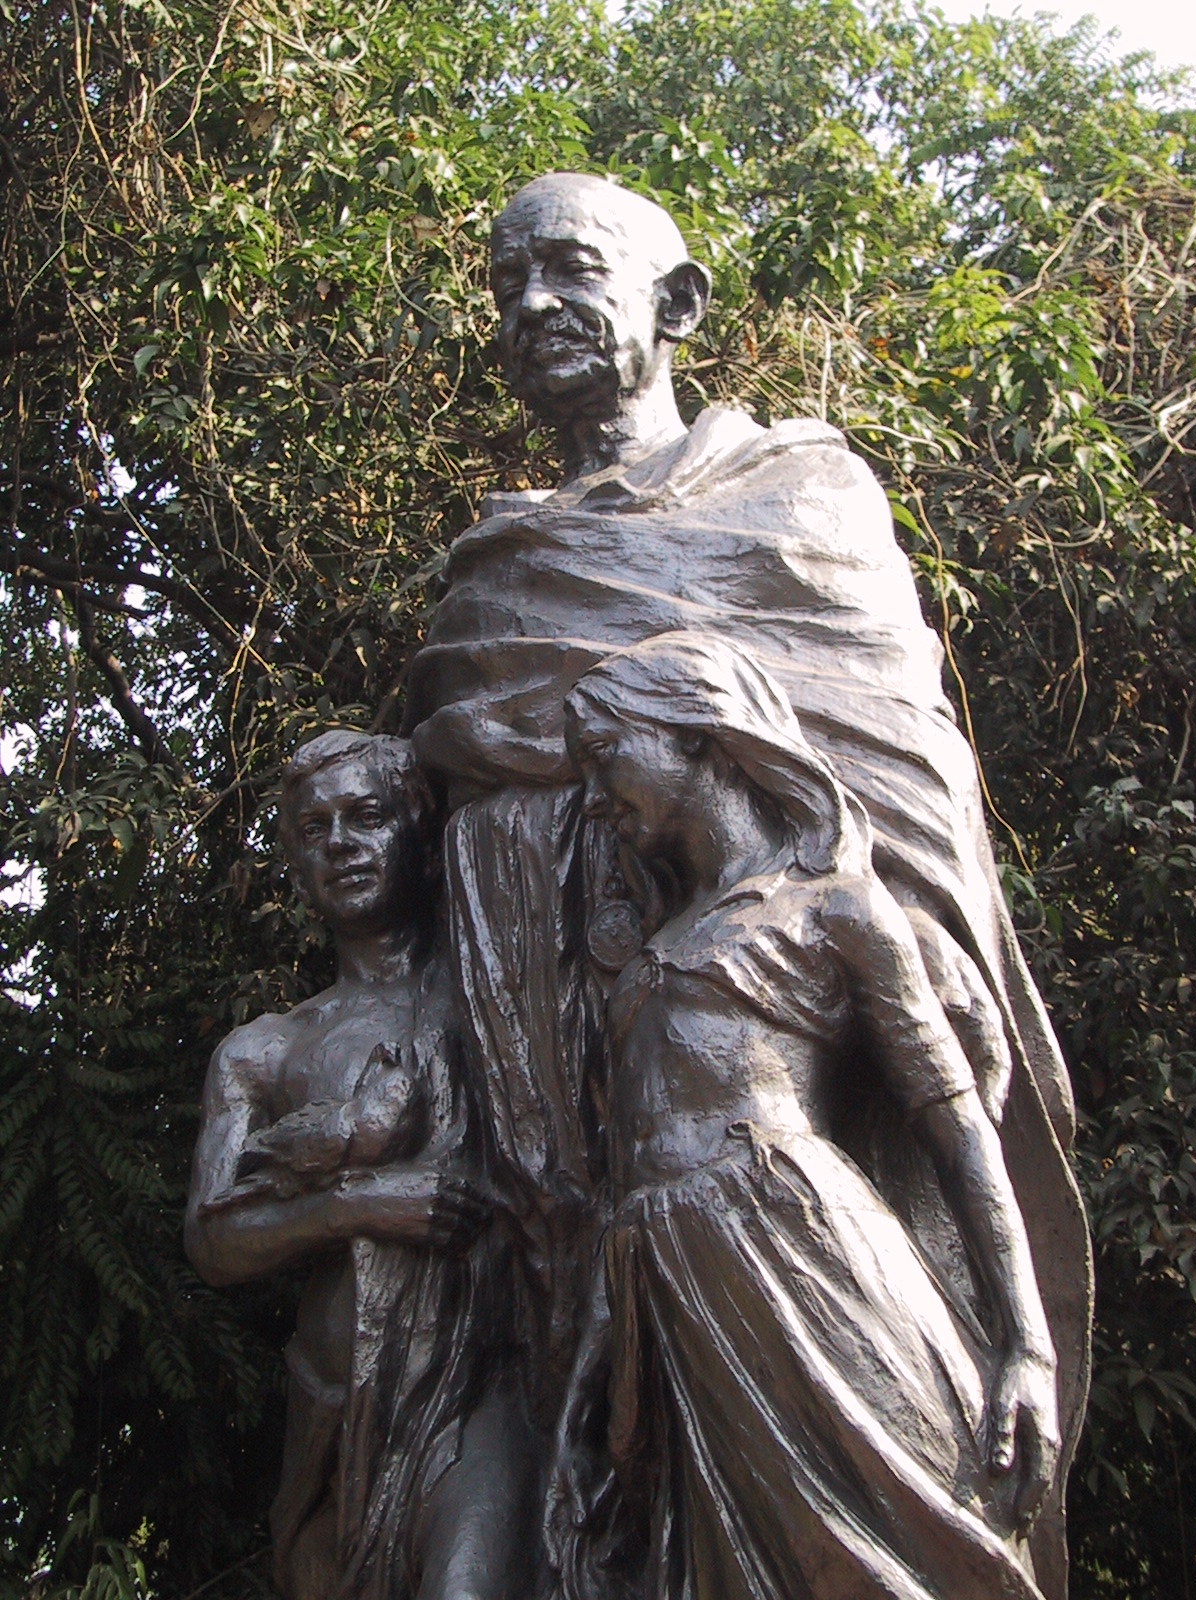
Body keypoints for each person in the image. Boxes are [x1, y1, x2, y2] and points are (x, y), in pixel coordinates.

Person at [402, 172, 1089, 1583]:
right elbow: (460, 783)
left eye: (571, 269)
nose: (533, 305)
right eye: (508, 283)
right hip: (571, 1090)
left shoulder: (805, 499)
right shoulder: (500, 563)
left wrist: (900, 937)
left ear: (678, 303)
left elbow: (901, 770)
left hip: (796, 1118)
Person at [546, 633, 1062, 1600]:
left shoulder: (837, 908)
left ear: (698, 735)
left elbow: (958, 1133)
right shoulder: (658, 938)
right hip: (669, 1286)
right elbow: (629, 1171)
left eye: (606, 756)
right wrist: (595, 1360)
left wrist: (1027, 1346)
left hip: (796, 1251)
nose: (594, 794)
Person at [185, 731, 536, 1600]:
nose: (340, 843)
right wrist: (360, 1207)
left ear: (418, 830)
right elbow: (213, 1238)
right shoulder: (263, 1052)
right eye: (315, 829)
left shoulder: (498, 991)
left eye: (366, 816)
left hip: (485, 1382)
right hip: (340, 1415)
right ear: (295, 867)